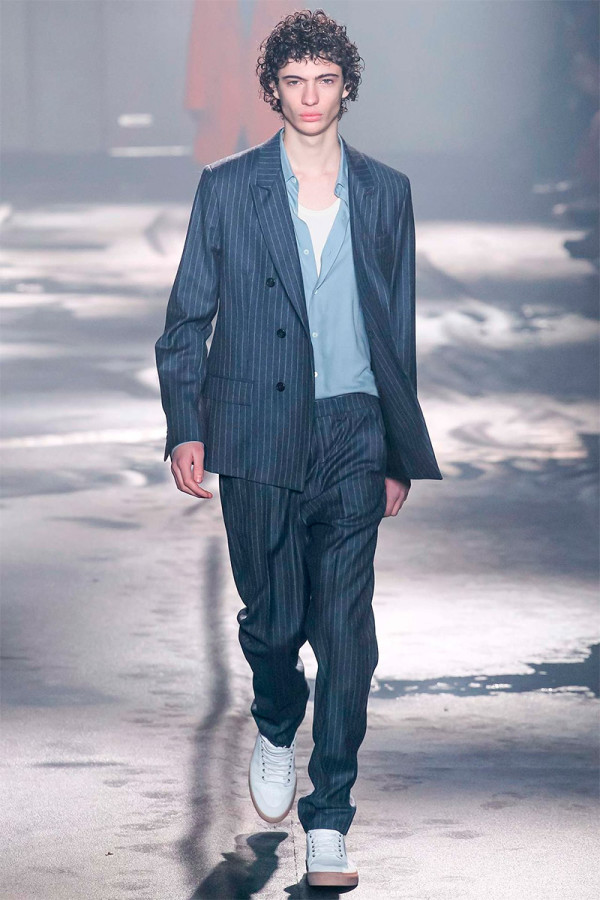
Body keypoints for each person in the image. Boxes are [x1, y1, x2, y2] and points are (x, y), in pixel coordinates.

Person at [155, 8, 442, 889]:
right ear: (273, 92)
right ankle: (278, 717)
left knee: (347, 634)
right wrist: (187, 425)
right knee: (274, 621)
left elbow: (396, 328)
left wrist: (397, 447)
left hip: (353, 429)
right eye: (294, 81)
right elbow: (187, 318)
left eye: (325, 80)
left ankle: (331, 819)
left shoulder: (386, 192)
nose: (310, 96)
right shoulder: (227, 187)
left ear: (346, 87)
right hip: (256, 434)